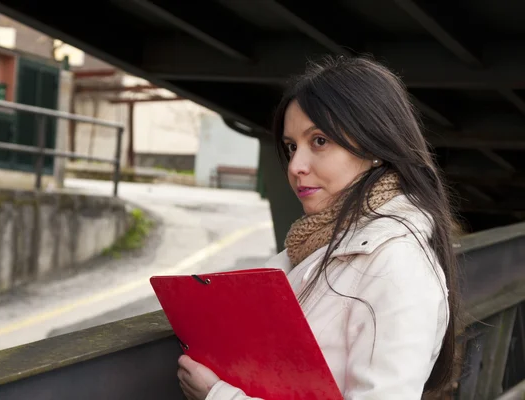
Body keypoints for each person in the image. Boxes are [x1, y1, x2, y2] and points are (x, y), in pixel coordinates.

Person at [177, 55, 459, 400]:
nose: (296, 165)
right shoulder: (319, 242)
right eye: (291, 146)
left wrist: (220, 396)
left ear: (376, 143)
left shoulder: (397, 263)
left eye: (319, 141)